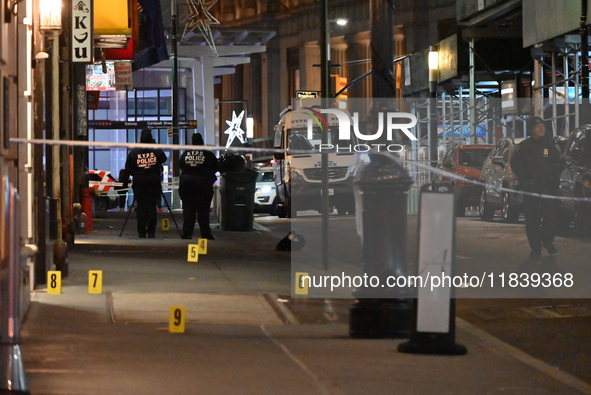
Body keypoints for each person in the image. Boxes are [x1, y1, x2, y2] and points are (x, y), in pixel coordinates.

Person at [511, 116, 565, 258]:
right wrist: (525, 179)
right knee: (532, 219)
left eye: (543, 126)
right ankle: (536, 248)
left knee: (550, 218)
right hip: (531, 187)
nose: (542, 129)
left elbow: (560, 162)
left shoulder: (551, 145)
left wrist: (554, 177)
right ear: (531, 129)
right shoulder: (524, 146)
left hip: (547, 187)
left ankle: (548, 242)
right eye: (538, 126)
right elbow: (515, 164)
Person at [125, 129, 167, 238]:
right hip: (153, 182)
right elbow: (163, 158)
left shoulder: (134, 153)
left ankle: (141, 231)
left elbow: (128, 169)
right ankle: (151, 231)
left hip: (139, 182)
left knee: (141, 207)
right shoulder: (155, 150)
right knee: (152, 207)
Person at [179, 133, 218, 240]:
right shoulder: (208, 154)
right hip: (203, 184)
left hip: (187, 185)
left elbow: (181, 165)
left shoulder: (186, 154)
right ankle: (205, 234)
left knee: (188, 210)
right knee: (203, 210)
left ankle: (187, 234)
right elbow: (216, 166)